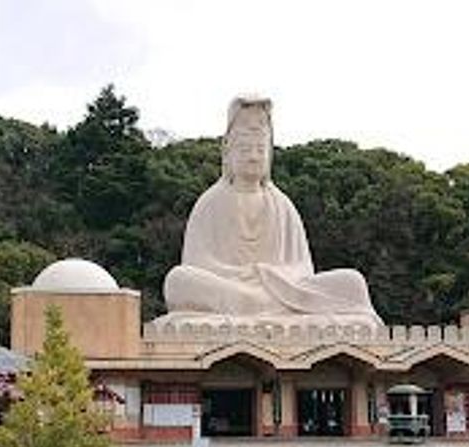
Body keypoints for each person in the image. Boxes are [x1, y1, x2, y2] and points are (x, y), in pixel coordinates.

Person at [162, 96, 382, 328]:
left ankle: (259, 310)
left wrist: (269, 276)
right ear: (228, 153)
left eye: (260, 149)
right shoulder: (210, 203)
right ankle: (260, 309)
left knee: (353, 282)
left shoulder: (282, 205)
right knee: (179, 280)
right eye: (245, 149)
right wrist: (246, 277)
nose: (254, 156)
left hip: (284, 293)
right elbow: (197, 263)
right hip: (235, 290)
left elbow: (304, 270)